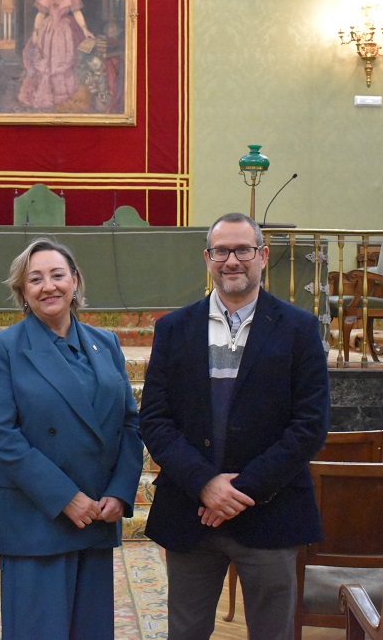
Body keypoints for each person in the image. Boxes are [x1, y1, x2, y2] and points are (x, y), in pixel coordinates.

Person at [139, 213, 330, 639]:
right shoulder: (173, 329)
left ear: (262, 256)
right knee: (185, 632)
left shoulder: (299, 328)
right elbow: (154, 419)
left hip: (271, 510)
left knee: (272, 633)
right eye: (221, 251)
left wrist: (240, 490)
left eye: (243, 250)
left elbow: (310, 424)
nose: (232, 261)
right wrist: (205, 483)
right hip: (192, 513)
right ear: (207, 258)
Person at [0, 237, 143, 639]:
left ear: (75, 281)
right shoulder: (1, 348)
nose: (48, 286)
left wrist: (120, 493)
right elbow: (4, 438)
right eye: (35, 279)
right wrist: (65, 497)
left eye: (57, 275)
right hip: (37, 519)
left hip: (97, 518)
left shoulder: (106, 344)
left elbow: (129, 424)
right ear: (22, 291)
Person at [18, 0, 95, 109]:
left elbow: (77, 13)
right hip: (47, 31)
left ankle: (61, 95)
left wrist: (84, 29)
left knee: (62, 59)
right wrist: (35, 32)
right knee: (46, 61)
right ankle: (46, 93)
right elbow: (40, 14)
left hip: (64, 31)